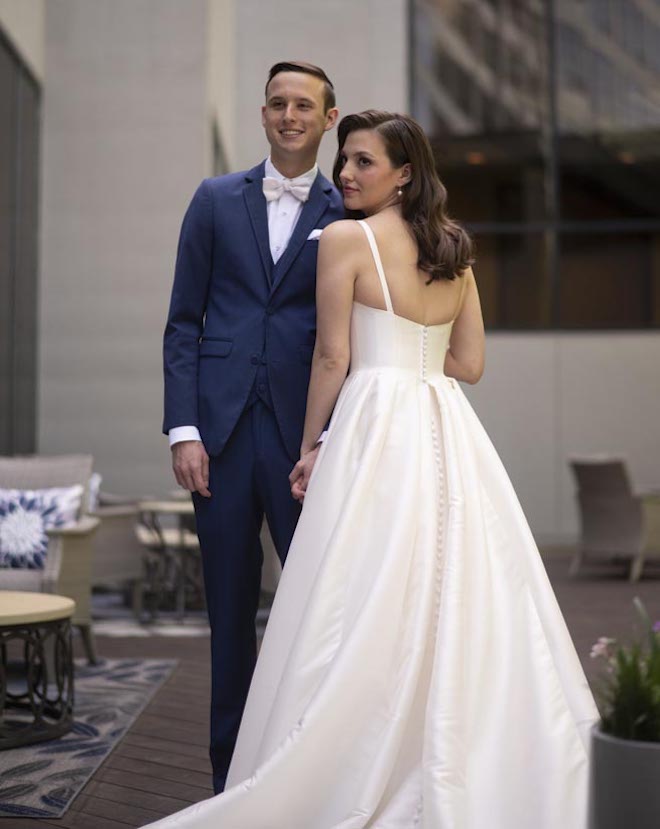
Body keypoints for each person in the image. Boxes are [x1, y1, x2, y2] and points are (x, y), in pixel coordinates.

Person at [150, 111, 598, 828]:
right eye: (346, 161)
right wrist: (415, 358)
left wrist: (310, 444)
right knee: (449, 586)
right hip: (443, 420)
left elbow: (331, 357)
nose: (346, 175)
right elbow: (470, 365)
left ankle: (358, 752)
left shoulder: (346, 239)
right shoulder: (455, 248)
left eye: (361, 162)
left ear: (404, 173)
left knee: (359, 590)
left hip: (371, 420)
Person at [162, 61, 342, 794]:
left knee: (311, 616)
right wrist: (183, 429)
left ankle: (301, 774)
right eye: (278, 104)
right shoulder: (212, 200)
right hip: (222, 437)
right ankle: (227, 786)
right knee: (230, 620)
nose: (290, 115)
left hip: (308, 443)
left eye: (305, 105)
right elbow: (182, 321)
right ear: (262, 114)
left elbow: (353, 335)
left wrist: (332, 437)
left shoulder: (350, 211)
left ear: (330, 118)